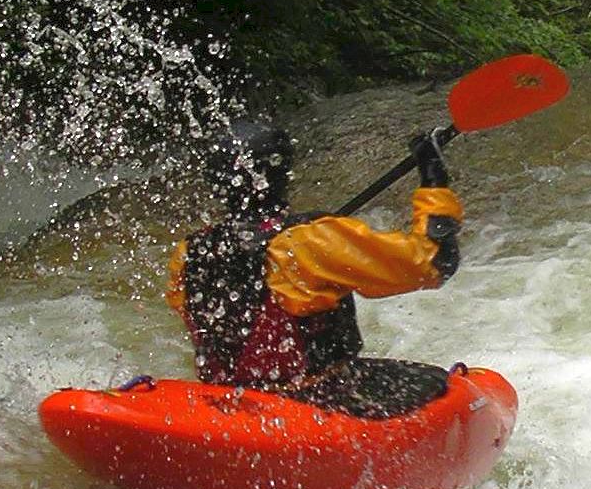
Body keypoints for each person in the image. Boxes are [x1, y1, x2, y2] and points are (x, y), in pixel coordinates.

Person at [164, 118, 464, 419]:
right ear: (283, 173)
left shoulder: (188, 253)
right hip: (315, 399)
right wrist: (433, 177)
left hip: (225, 402)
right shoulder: (312, 240)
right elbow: (436, 262)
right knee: (443, 383)